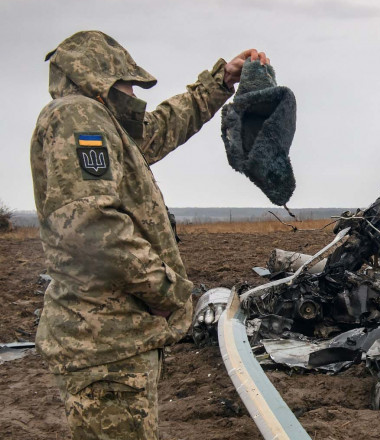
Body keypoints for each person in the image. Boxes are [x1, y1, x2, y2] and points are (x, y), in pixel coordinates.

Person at [30, 30, 267, 439]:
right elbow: (91, 225)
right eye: (125, 81)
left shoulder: (102, 121)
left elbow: (156, 130)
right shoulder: (77, 117)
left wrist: (221, 82)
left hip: (113, 340)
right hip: (105, 344)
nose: (131, 92)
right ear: (99, 79)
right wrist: (166, 292)